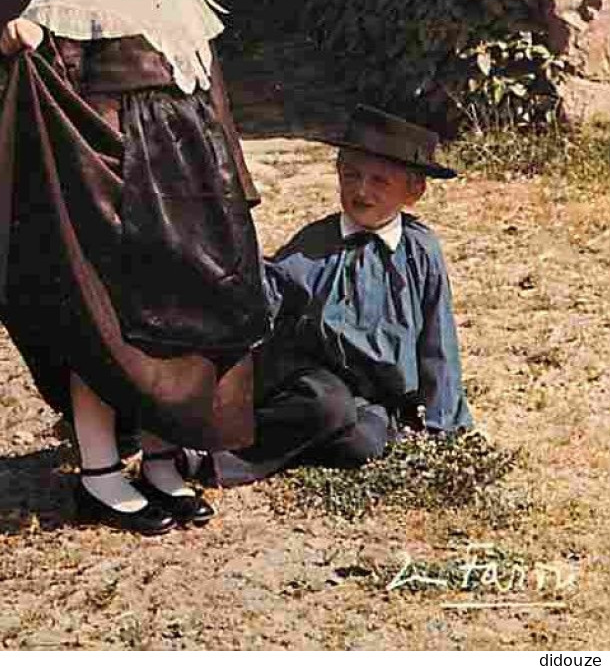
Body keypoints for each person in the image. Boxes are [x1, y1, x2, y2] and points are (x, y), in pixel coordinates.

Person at [0, 0, 271, 534]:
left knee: (174, 325)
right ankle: (97, 472)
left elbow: (209, 88)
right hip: (110, 184)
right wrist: (19, 41)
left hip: (188, 185)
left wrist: (232, 176)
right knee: (106, 328)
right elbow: (45, 80)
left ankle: (160, 459)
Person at [194, 104, 473, 488]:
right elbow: (269, 295)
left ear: (414, 191)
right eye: (351, 175)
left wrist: (444, 427)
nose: (361, 190)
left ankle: (298, 438)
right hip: (309, 377)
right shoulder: (317, 243)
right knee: (327, 406)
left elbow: (437, 341)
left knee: (365, 444)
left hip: (373, 396)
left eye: (380, 181)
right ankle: (219, 459)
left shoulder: (421, 252)